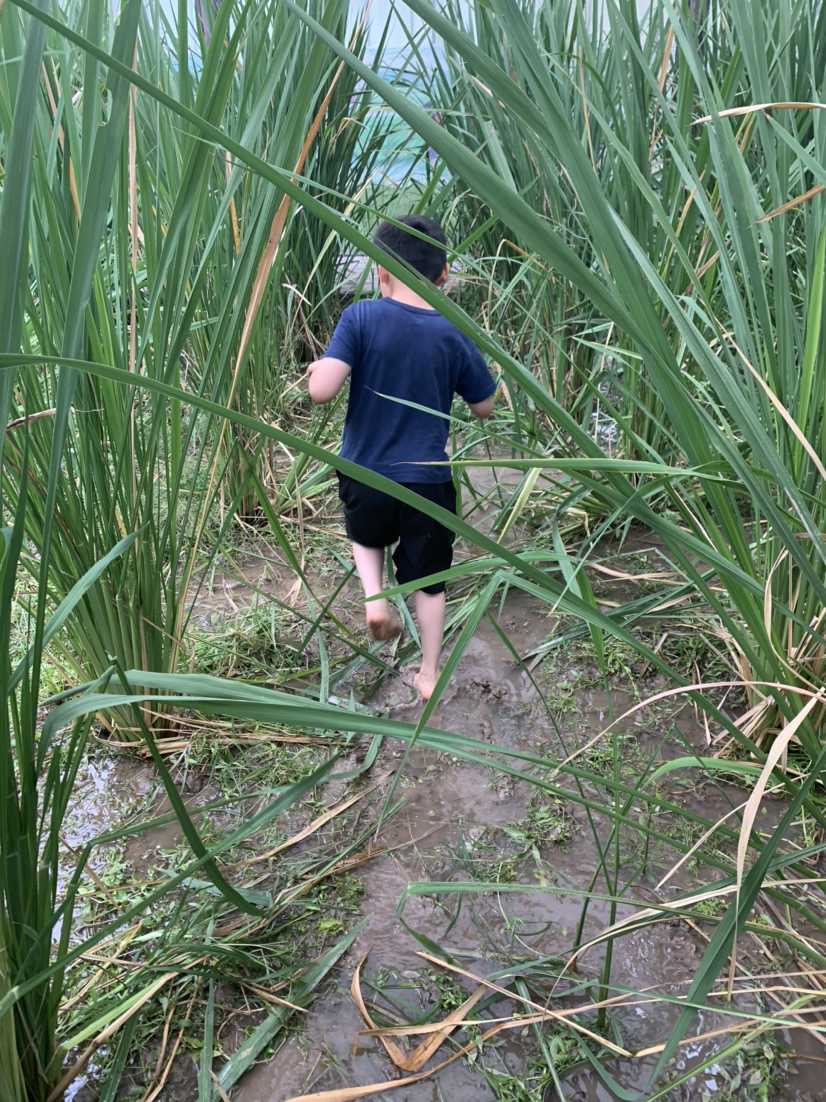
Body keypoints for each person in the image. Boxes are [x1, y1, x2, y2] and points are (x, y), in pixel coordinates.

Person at [306, 215, 495, 700]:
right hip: (426, 482)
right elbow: (484, 406)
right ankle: (429, 673)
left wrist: (318, 369)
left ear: (380, 270)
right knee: (431, 582)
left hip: (364, 473)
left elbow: (322, 392)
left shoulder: (360, 318)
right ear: (444, 274)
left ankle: (375, 599)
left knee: (365, 536)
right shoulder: (453, 331)